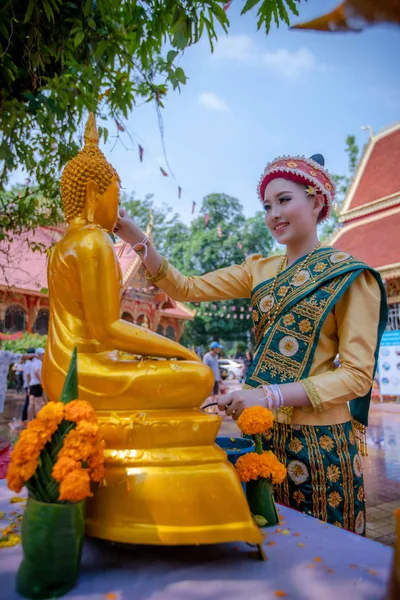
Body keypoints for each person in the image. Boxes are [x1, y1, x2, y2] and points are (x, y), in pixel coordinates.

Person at [115, 153, 388, 535]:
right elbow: (186, 288)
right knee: (269, 540)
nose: (273, 212)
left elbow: (357, 377)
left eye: (284, 200)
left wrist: (269, 395)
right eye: (267, 205)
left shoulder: (348, 277)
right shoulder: (258, 270)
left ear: (316, 201)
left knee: (325, 551)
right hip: (262, 436)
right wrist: (139, 241)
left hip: (321, 443)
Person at [203, 342, 223, 406]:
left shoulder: (216, 356)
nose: (219, 350)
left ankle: (214, 408)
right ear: (214, 348)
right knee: (210, 395)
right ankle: (209, 408)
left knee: (216, 394)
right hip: (210, 379)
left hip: (216, 378)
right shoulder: (207, 356)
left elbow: (216, 367)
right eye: (218, 348)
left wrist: (219, 377)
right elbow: (205, 368)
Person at [27, 348, 45, 420]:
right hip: (37, 384)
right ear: (38, 355)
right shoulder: (38, 362)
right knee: (39, 403)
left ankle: (29, 419)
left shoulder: (32, 362)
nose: (43, 356)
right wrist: (42, 382)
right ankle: (39, 420)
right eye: (42, 354)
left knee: (31, 403)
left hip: (32, 384)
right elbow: (37, 371)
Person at [21, 348, 36, 422]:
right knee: (29, 402)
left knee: (29, 402)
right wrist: (29, 387)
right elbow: (27, 376)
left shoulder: (28, 363)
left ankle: (27, 418)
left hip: (28, 385)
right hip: (28, 385)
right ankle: (25, 418)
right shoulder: (28, 363)